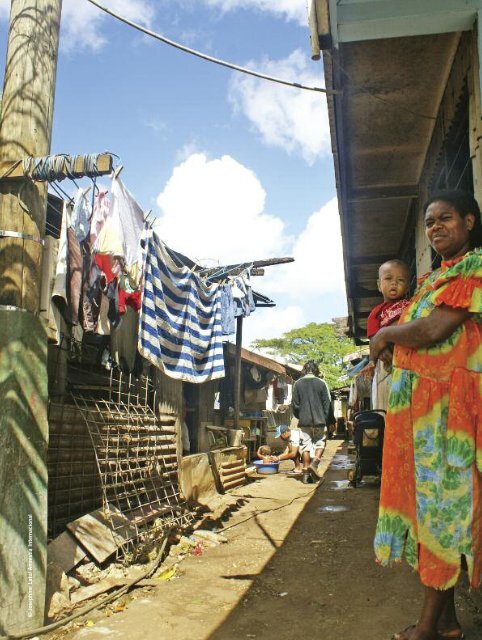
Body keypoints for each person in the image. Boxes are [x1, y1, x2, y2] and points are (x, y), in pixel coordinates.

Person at [370, 190, 482, 640]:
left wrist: (384, 336)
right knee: (430, 512)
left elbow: (435, 329)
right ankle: (450, 624)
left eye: (446, 219)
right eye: (430, 222)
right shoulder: (436, 278)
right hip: (421, 421)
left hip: (447, 418)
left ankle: (428, 629)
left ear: (469, 222)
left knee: (444, 514)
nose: (435, 228)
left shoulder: (474, 268)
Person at [366, 259, 411, 411]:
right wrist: (373, 359)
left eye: (400, 280)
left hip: (407, 357)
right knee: (390, 401)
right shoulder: (376, 312)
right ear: (379, 285)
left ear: (408, 285)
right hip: (386, 361)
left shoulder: (411, 305)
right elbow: (373, 337)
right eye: (388, 279)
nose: (394, 284)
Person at [291, 360, 331, 474]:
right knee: (320, 443)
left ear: (304, 370)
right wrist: (326, 419)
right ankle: (315, 464)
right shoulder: (322, 383)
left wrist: (300, 416)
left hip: (304, 421)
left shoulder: (297, 384)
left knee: (305, 446)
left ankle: (306, 471)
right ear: (316, 370)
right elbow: (327, 404)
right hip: (320, 421)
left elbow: (294, 404)